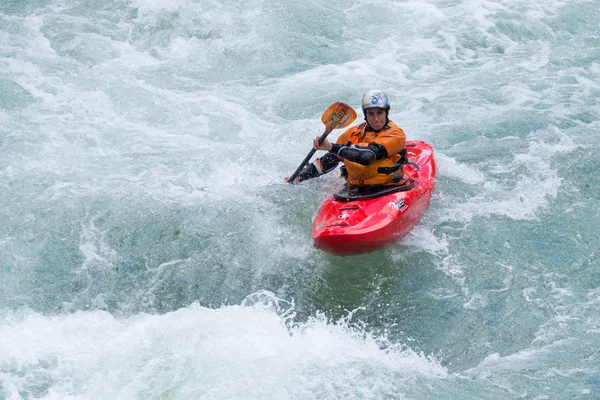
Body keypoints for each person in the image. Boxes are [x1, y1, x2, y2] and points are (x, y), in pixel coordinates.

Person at [285, 90, 407, 195]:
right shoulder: (354, 133)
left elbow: (368, 155)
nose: (376, 118)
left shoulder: (396, 134)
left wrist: (331, 146)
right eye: (371, 114)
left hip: (389, 188)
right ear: (365, 115)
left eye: (379, 113)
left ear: (386, 112)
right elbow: (331, 159)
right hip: (356, 190)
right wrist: (300, 176)